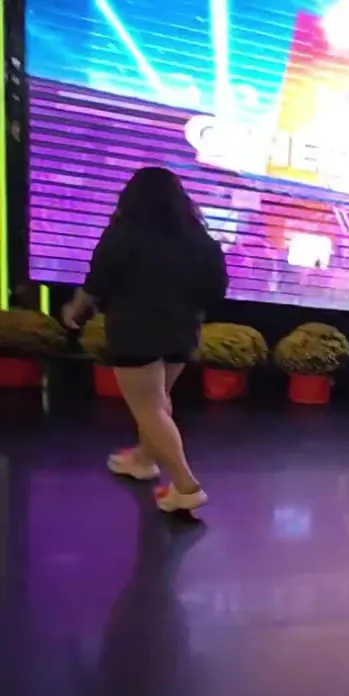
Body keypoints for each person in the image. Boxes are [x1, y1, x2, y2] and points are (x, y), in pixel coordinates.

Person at [60, 167, 227, 513]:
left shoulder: (124, 234)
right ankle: (143, 460)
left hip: (134, 331)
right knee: (157, 402)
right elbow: (217, 289)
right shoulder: (201, 240)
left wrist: (74, 311)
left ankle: (186, 486)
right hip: (183, 331)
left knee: (149, 407)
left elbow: (96, 282)